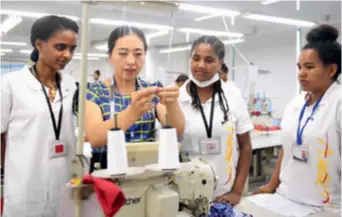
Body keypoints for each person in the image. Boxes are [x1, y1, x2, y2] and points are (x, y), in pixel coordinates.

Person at [237, 24, 341, 217]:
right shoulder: (297, 103)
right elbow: (287, 147)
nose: (301, 73)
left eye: (309, 67)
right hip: (286, 197)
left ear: (332, 69)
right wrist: (271, 184)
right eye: (299, 67)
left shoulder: (338, 103)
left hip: (325, 206)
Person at [1, 15, 78, 217]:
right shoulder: (10, 84)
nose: (67, 55)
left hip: (63, 179)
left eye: (72, 49)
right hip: (25, 185)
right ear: (39, 44)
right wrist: (16, 167)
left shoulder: (70, 84)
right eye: (60, 47)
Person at [80, 26, 185, 172]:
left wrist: (172, 104)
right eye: (123, 53)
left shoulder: (151, 90)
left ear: (144, 56)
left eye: (138, 54)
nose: (131, 61)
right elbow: (95, 137)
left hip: (147, 169)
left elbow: (177, 129)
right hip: (107, 172)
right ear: (110, 56)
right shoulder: (95, 91)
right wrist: (133, 113)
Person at [178, 35, 253, 206]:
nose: (201, 65)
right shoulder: (177, 98)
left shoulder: (233, 95)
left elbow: (246, 147)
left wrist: (236, 191)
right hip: (185, 194)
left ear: (220, 62)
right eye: (196, 58)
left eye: (209, 60)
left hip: (224, 195)